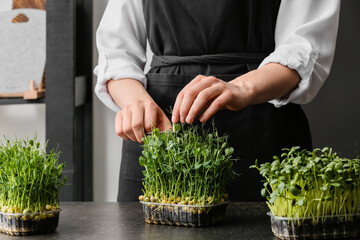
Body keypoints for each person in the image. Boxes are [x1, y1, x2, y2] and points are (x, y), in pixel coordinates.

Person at [94, 0, 340, 202]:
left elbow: (305, 47)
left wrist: (241, 87)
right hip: (158, 126)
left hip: (262, 124)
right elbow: (116, 51)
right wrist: (135, 102)